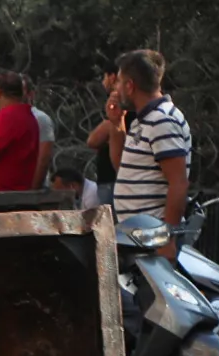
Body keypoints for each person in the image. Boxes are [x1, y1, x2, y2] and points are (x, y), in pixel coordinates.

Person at [108, 49, 192, 252]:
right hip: (136, 237)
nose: (115, 88)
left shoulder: (162, 120)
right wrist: (117, 124)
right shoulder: (142, 120)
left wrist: (167, 239)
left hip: (153, 237)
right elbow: (123, 168)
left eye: (119, 82)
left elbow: (178, 182)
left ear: (130, 86)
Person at [85, 69, 130, 209]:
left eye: (104, 76)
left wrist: (111, 124)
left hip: (113, 181)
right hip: (110, 179)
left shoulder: (123, 102)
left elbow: (93, 140)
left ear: (112, 77)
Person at [26, 76, 57, 188]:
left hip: (31, 186)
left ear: (31, 94)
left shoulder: (40, 118)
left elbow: (44, 158)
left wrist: (34, 188)